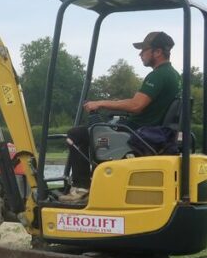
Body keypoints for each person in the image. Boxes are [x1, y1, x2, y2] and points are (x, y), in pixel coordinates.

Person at [61, 31, 181, 203]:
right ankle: (96, 183)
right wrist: (110, 104)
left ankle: (81, 188)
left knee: (76, 134)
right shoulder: (175, 75)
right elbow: (137, 102)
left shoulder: (159, 75)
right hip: (154, 132)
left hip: (138, 133)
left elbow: (136, 105)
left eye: (144, 50)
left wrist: (100, 103)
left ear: (158, 52)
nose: (140, 54)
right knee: (95, 131)